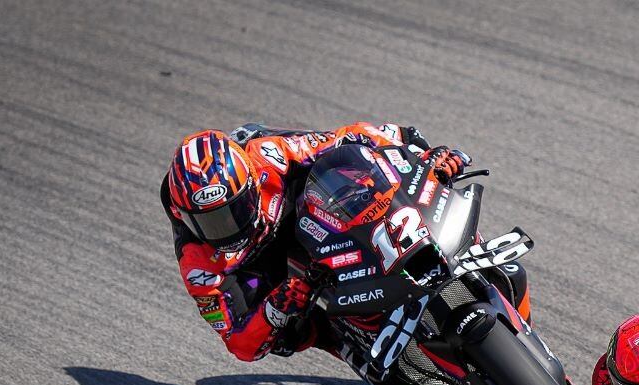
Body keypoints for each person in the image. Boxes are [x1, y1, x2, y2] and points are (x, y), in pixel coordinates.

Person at [160, 122, 477, 363]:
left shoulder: (269, 155)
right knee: (291, 337)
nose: (226, 228)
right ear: (182, 215)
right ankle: (355, 343)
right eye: (209, 222)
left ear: (251, 182)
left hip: (316, 216)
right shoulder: (197, 264)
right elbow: (238, 342)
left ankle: (453, 249)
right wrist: (275, 307)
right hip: (281, 277)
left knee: (365, 175)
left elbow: (352, 138)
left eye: (233, 210)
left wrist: (421, 159)